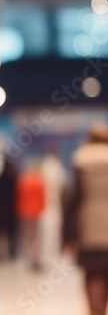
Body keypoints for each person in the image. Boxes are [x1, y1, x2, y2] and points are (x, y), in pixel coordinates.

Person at [63, 122, 108, 315]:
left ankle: (94, 310)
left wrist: (69, 236)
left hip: (88, 230)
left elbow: (72, 202)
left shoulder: (80, 162)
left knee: (92, 274)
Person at [16, 157, 46, 271]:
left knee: (27, 237)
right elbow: (43, 198)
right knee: (36, 237)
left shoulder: (23, 181)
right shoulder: (39, 181)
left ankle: (29, 258)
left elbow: (19, 198)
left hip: (25, 212)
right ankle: (36, 259)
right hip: (36, 213)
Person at [0, 159, 18, 263]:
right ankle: (9, 253)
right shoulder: (12, 182)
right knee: (9, 234)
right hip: (9, 212)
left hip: (0, 212)